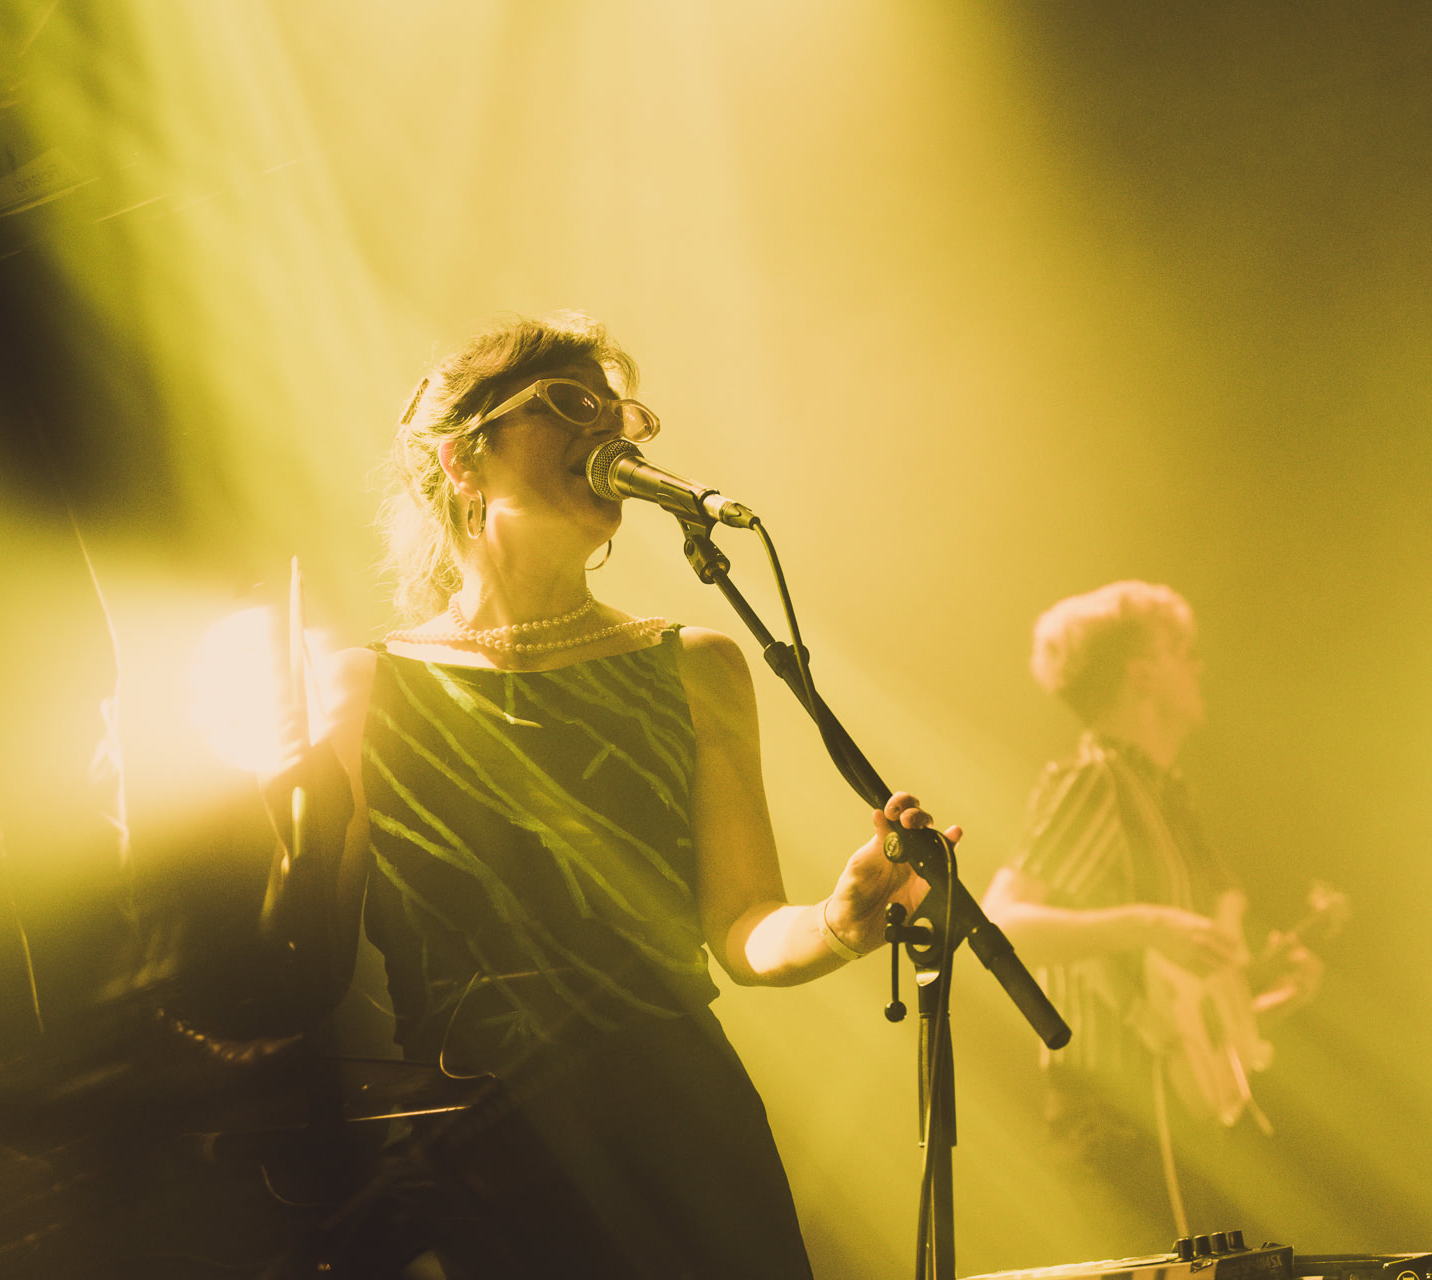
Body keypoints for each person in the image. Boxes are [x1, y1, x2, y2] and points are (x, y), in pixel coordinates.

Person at [280, 312, 953, 1278]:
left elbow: (743, 929)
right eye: (566, 404)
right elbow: (305, 963)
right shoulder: (363, 688)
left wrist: (839, 923)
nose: (608, 429)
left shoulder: (695, 666)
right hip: (480, 1145)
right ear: (462, 460)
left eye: (618, 412)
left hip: (684, 1126)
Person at [980, 581, 1323, 1244]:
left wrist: (1269, 1004)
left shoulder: (1168, 797)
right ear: (1141, 674)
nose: (1198, 666)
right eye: (1181, 650)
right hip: (1117, 1122)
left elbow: (1176, 1018)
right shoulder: (1097, 781)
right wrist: (1148, 924)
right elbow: (998, 924)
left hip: (1181, 1122)